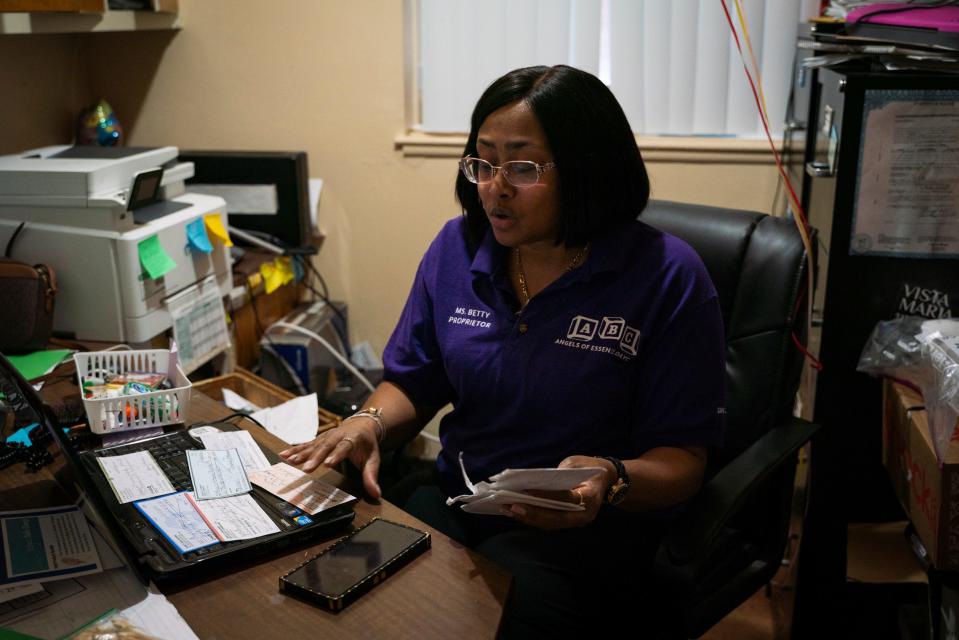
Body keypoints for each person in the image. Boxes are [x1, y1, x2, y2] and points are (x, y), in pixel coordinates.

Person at [280, 64, 725, 636]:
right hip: (460, 496)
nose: (496, 186)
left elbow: (684, 464)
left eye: (522, 166)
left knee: (476, 623)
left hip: (587, 530)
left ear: (588, 170)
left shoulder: (667, 276)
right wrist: (367, 421)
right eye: (483, 162)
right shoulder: (457, 246)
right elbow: (415, 380)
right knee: (329, 589)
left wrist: (608, 478)